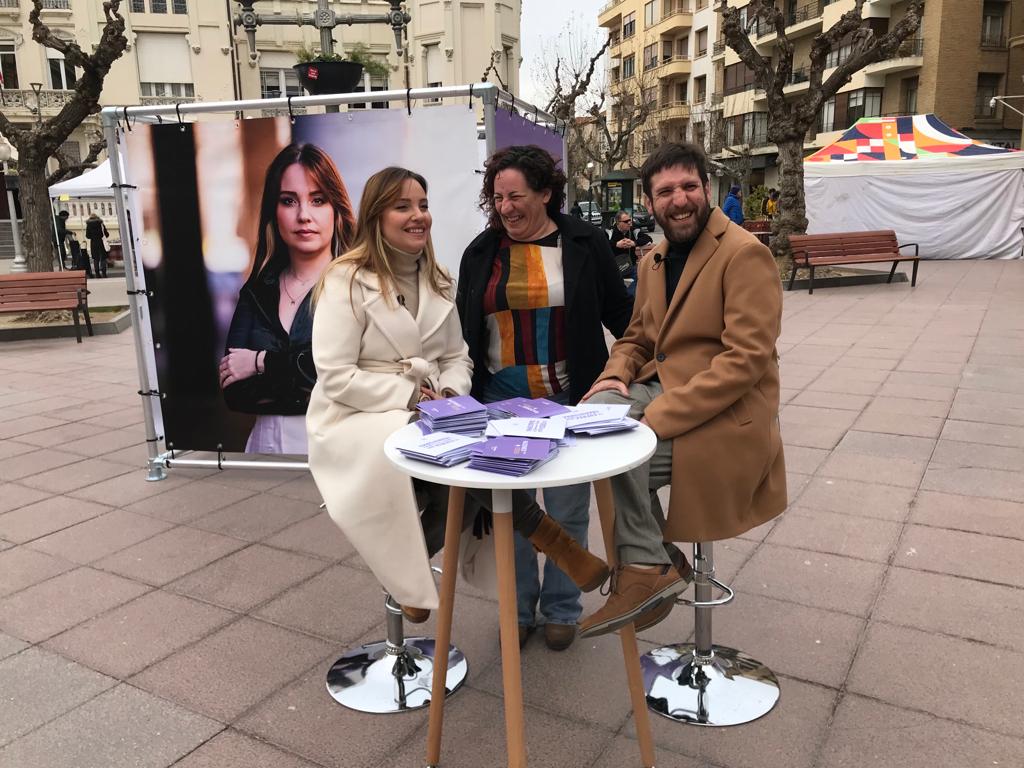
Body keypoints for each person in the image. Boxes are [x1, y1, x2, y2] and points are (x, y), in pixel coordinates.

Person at [306, 166, 609, 622]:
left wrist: (448, 393)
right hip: (355, 418)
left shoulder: (438, 276)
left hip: (431, 412)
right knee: (472, 456)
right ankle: (549, 538)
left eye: (423, 205)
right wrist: (415, 398)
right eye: (403, 206)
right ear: (375, 216)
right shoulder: (344, 281)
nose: (418, 216)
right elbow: (336, 378)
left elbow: (457, 357)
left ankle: (404, 563)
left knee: (472, 465)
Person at [579, 142, 787, 638]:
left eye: (689, 186)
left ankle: (646, 567)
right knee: (595, 420)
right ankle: (653, 559)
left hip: (731, 414)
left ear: (707, 189)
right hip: (670, 390)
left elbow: (745, 361)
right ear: (648, 203)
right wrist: (614, 374)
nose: (680, 199)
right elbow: (637, 338)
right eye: (665, 191)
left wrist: (657, 418)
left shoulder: (744, 254)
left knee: (618, 456)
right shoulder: (654, 259)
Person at [457, 145, 634, 650]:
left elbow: (621, 314)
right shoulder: (480, 253)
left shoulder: (585, 241)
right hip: (498, 404)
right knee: (510, 512)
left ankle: (562, 608)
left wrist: (643, 360)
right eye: (497, 198)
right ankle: (517, 611)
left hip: (569, 400)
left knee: (566, 509)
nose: (506, 207)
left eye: (516, 196)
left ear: (546, 194)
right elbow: (463, 329)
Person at [219, 143, 356, 454]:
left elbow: (344, 377)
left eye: (318, 200)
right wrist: (305, 372)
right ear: (274, 211)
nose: (304, 215)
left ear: (336, 209)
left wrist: (259, 362)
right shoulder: (257, 291)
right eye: (288, 201)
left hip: (337, 449)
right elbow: (236, 392)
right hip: (265, 450)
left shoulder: (355, 288)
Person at [608, 209, 653, 297]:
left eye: (630, 220)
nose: (629, 223)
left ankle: (630, 302)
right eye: (626, 221)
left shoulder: (633, 230)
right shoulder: (610, 232)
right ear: (618, 222)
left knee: (636, 285)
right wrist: (616, 244)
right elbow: (601, 243)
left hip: (631, 267)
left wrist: (634, 243)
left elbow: (648, 239)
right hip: (615, 268)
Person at [84, 213, 109, 277]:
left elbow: (87, 236)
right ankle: (104, 273)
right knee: (103, 257)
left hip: (93, 243)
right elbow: (106, 234)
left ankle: (97, 274)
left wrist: (93, 236)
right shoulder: (101, 224)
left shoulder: (88, 225)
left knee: (95, 258)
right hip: (101, 242)